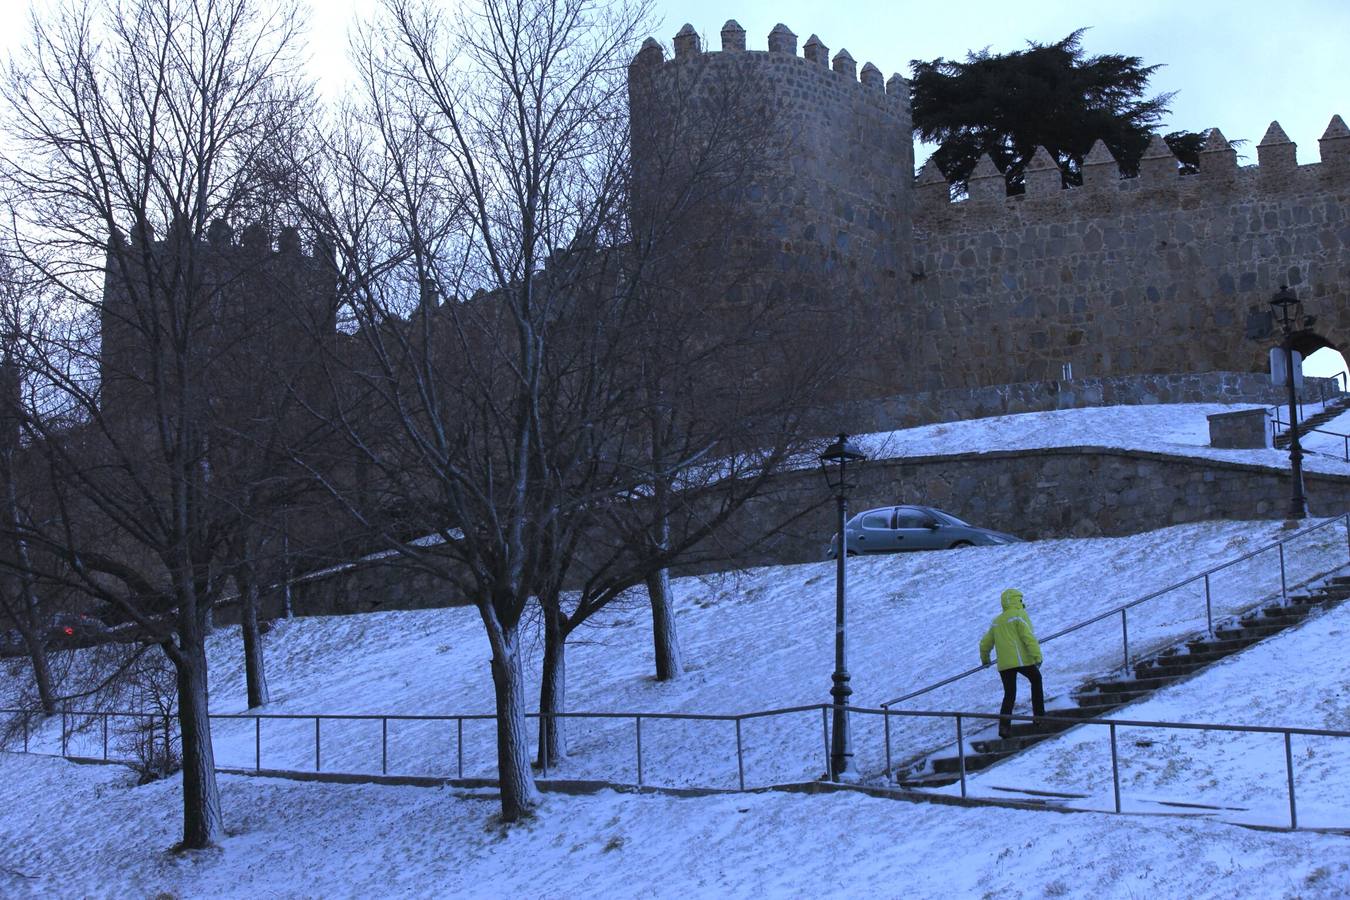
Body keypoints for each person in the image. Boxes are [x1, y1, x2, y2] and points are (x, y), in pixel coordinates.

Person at [978, 587, 1045, 739]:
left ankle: (1004, 727)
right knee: (1036, 680)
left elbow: (984, 644)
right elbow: (1028, 637)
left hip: (1004, 664)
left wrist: (986, 660)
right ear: (1017, 601)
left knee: (1009, 694)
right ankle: (1039, 717)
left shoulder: (997, 621)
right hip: (1021, 660)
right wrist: (1037, 656)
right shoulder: (1019, 615)